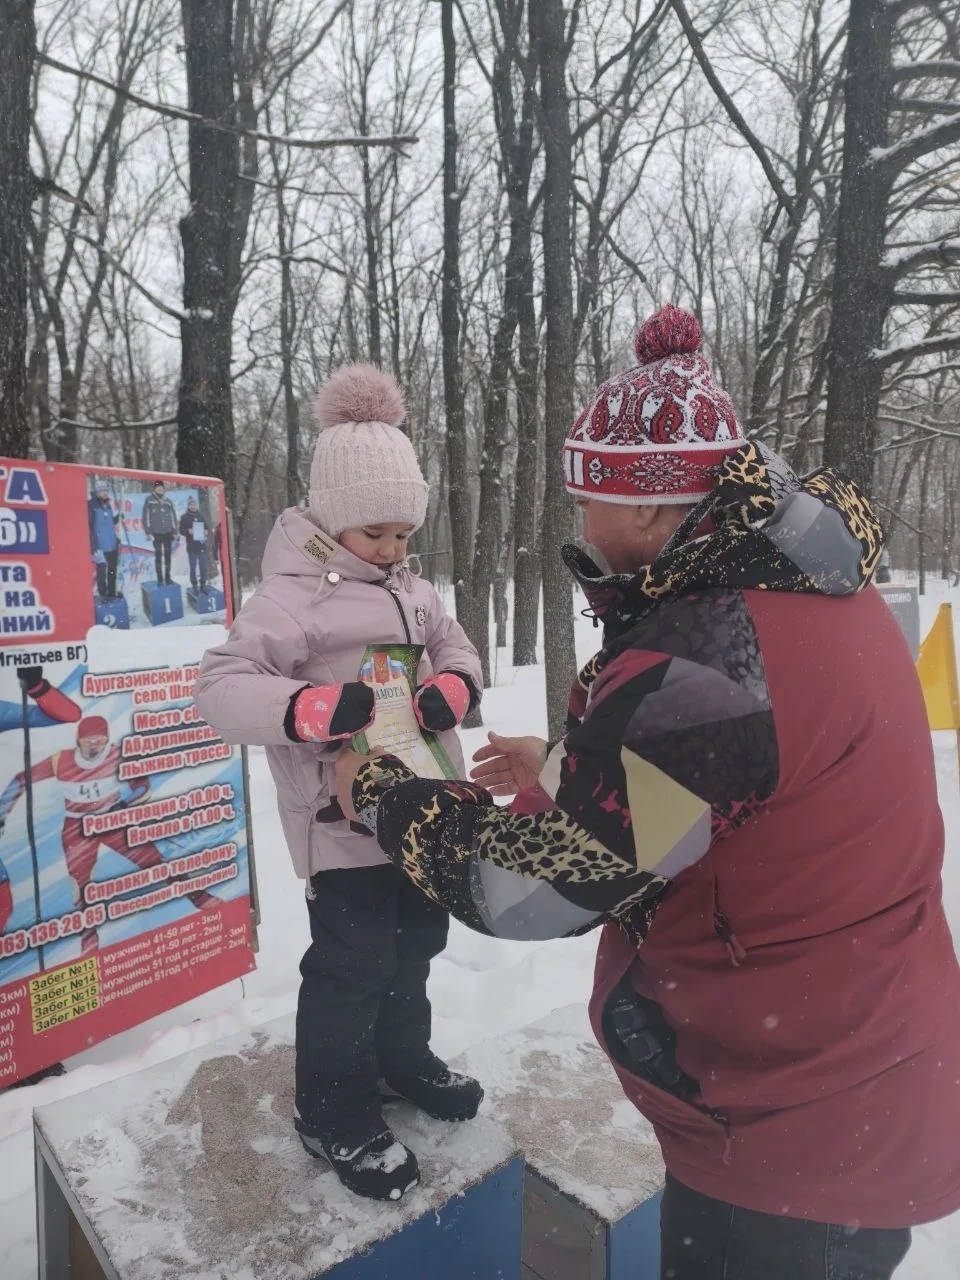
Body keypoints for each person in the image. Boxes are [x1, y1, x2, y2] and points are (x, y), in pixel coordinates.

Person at [333, 305, 960, 1279]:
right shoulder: (799, 579)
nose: (579, 522)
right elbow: (723, 790)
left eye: (588, 499)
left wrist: (384, 792)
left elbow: (533, 890)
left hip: (792, 1138)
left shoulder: (710, 658)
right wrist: (569, 768)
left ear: (649, 508)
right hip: (848, 1068)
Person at [194, 364, 485, 1203]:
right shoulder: (290, 602)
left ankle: (400, 1059)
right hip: (340, 821)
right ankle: (331, 1108)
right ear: (331, 518)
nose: (392, 550)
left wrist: (454, 687)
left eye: (403, 533)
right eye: (375, 533)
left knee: (417, 944)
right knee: (352, 966)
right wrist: (307, 707)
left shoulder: (415, 592)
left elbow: (456, 647)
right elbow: (219, 688)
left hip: (420, 811)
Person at [0, 715, 216, 953]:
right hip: (77, 827)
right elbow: (21, 780)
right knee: (82, 887)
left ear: (107, 740)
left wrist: (124, 805)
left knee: (155, 862)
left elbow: (142, 787)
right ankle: (89, 944)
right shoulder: (60, 760)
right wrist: (2, 812)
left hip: (112, 821)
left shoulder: (117, 755)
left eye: (99, 740)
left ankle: (203, 899)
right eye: (88, 740)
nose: (94, 746)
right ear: (78, 740)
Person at [88, 481, 122, 600]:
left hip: (111, 542)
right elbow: (89, 526)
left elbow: (112, 520)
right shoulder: (91, 505)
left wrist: (118, 516)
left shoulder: (108, 504)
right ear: (97, 492)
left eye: (106, 491)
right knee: (101, 570)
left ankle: (112, 591)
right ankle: (103, 594)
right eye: (102, 491)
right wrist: (92, 545)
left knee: (112, 569)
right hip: (99, 544)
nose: (104, 493)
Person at [141, 479, 177, 586]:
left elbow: (173, 517)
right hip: (156, 534)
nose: (160, 489)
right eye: (157, 487)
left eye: (161, 487)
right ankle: (160, 578)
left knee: (168, 556)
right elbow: (146, 517)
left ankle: (168, 577)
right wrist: (148, 532)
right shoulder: (149, 500)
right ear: (154, 489)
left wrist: (174, 531)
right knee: (158, 556)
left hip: (168, 533)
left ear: (163, 489)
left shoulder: (168, 501)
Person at [179, 496, 208, 592]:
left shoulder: (201, 516)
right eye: (191, 504)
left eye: (194, 504)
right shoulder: (184, 517)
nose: (193, 506)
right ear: (188, 506)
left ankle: (203, 584)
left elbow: (206, 528)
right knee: (193, 566)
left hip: (201, 545)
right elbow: (181, 530)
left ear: (196, 505)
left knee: (203, 566)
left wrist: (206, 532)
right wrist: (188, 531)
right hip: (191, 546)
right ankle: (194, 584)